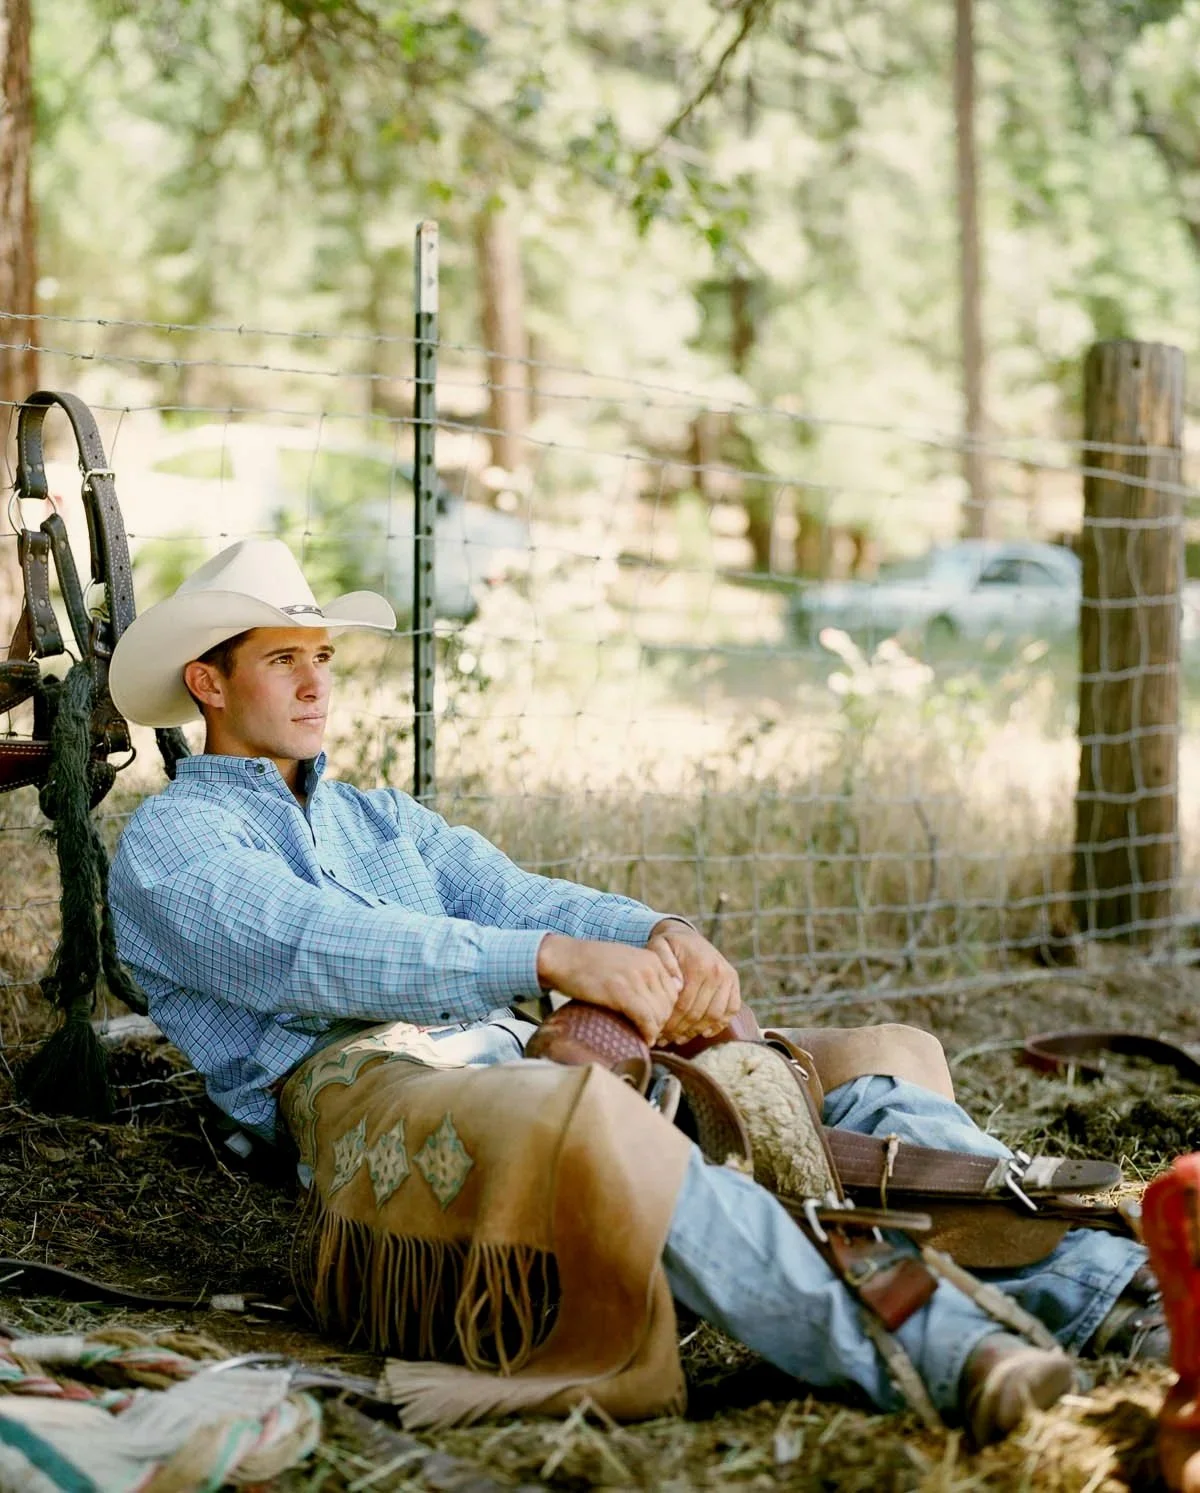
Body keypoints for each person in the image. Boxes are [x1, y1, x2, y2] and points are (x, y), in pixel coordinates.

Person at [108, 538, 1159, 1446]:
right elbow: (314, 948)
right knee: (593, 1116)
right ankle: (951, 1353)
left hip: (511, 1054)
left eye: (323, 657)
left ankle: (1111, 1295)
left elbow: (514, 888)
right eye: (282, 659)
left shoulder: (381, 817)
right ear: (208, 683)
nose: (314, 682)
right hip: (363, 1087)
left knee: (850, 1068)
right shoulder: (174, 840)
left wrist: (661, 931)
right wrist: (548, 959)